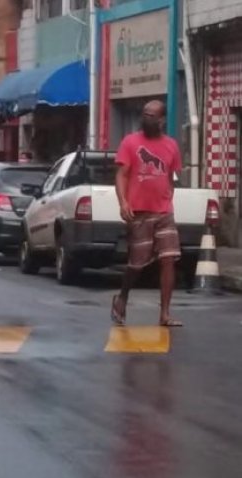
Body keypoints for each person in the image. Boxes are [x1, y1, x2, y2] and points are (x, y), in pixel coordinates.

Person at [111, 100, 183, 328]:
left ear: (162, 120)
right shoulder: (130, 142)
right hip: (139, 212)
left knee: (168, 259)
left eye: (152, 115)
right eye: (144, 114)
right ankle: (122, 297)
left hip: (163, 211)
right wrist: (123, 202)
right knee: (137, 264)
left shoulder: (171, 145)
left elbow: (172, 176)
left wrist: (167, 198)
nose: (147, 118)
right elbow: (122, 175)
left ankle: (165, 314)